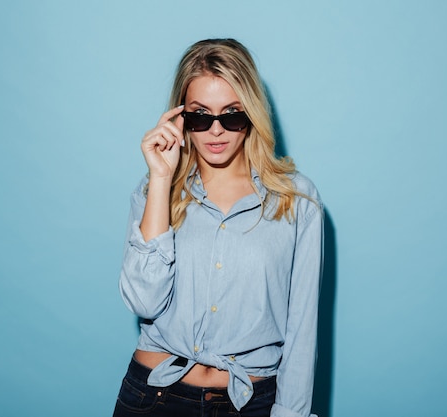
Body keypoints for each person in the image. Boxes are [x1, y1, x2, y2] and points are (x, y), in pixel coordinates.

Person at [114, 38, 323, 417]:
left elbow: (302, 329)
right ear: (180, 118)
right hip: (153, 398)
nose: (216, 131)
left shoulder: (297, 200)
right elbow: (143, 301)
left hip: (249, 404)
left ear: (252, 113)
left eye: (232, 114)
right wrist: (161, 179)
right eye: (199, 115)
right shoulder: (155, 191)